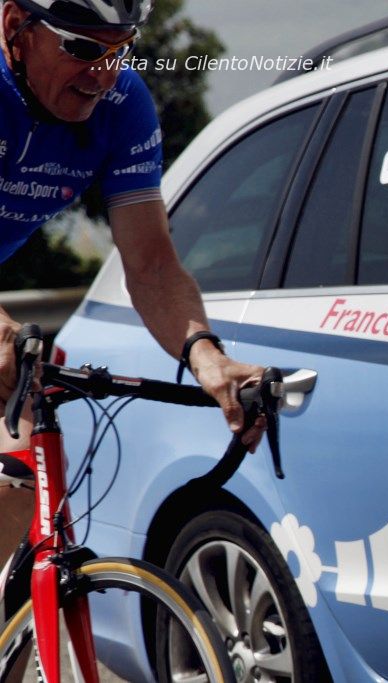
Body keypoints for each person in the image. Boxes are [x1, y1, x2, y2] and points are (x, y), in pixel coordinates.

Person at [0, 0, 264, 565]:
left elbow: (152, 265)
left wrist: (206, 356)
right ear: (16, 28)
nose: (103, 74)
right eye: (82, 48)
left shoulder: (123, 104)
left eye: (120, 50)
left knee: (14, 477)